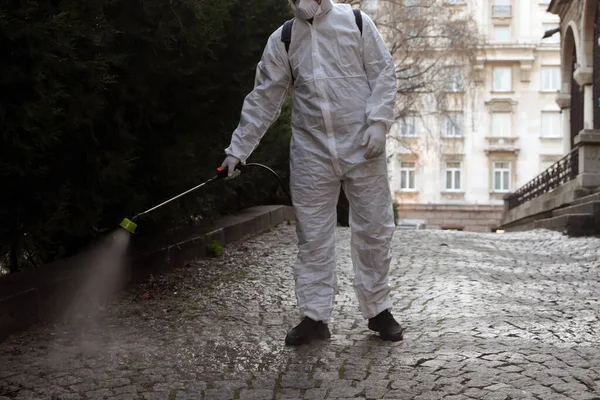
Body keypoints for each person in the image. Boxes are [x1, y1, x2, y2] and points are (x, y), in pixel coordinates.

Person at [221, 0, 404, 345]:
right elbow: (265, 98)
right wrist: (238, 150)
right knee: (313, 236)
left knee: (374, 230)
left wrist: (379, 122)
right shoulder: (285, 38)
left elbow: (383, 72)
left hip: (363, 145)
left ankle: (379, 310)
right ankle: (315, 316)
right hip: (312, 151)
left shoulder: (357, 22)